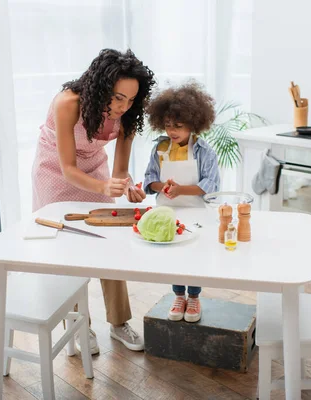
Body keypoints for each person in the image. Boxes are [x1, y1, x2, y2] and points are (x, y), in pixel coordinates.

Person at [31, 48, 156, 352]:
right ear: (100, 87)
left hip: (94, 172)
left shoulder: (128, 114)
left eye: (130, 100)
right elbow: (68, 168)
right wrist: (103, 188)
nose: (123, 106)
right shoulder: (68, 103)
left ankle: (118, 323)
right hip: (56, 173)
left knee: (109, 244)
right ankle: (78, 325)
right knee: (68, 251)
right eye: (117, 98)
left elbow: (121, 171)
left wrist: (127, 187)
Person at [143, 81, 220, 322]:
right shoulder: (159, 148)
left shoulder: (204, 151)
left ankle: (194, 297)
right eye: (168, 125)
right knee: (176, 255)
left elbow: (211, 186)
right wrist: (163, 187)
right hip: (168, 211)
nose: (172, 131)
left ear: (193, 124)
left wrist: (181, 190)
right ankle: (178, 295)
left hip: (197, 211)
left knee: (195, 255)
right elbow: (149, 179)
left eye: (179, 126)